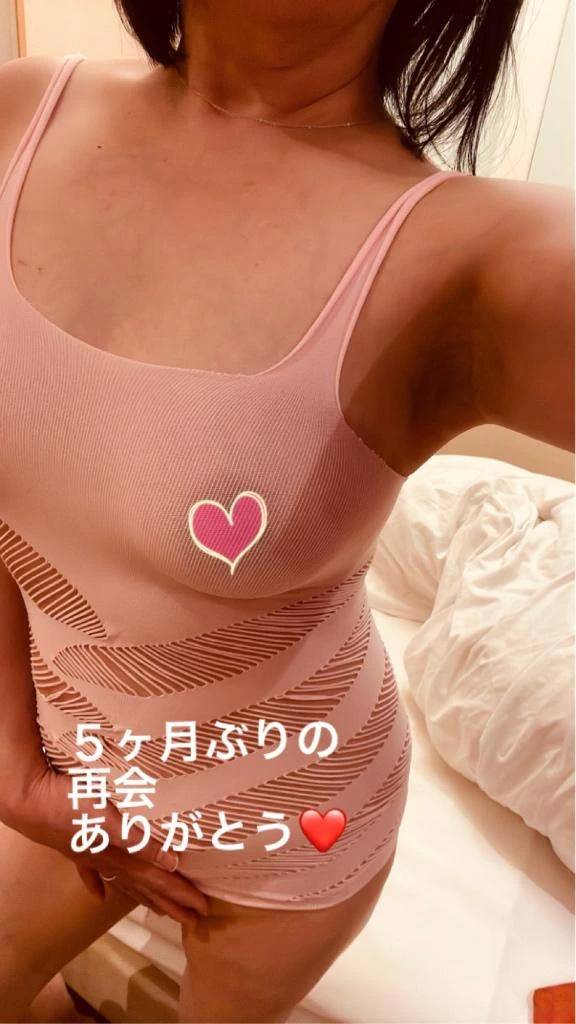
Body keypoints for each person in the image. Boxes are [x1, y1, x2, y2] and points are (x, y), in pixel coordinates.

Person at [0, 2, 573, 1022]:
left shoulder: (486, 254)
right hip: (71, 765)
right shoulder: (14, 117)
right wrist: (13, 768)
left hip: (299, 817)